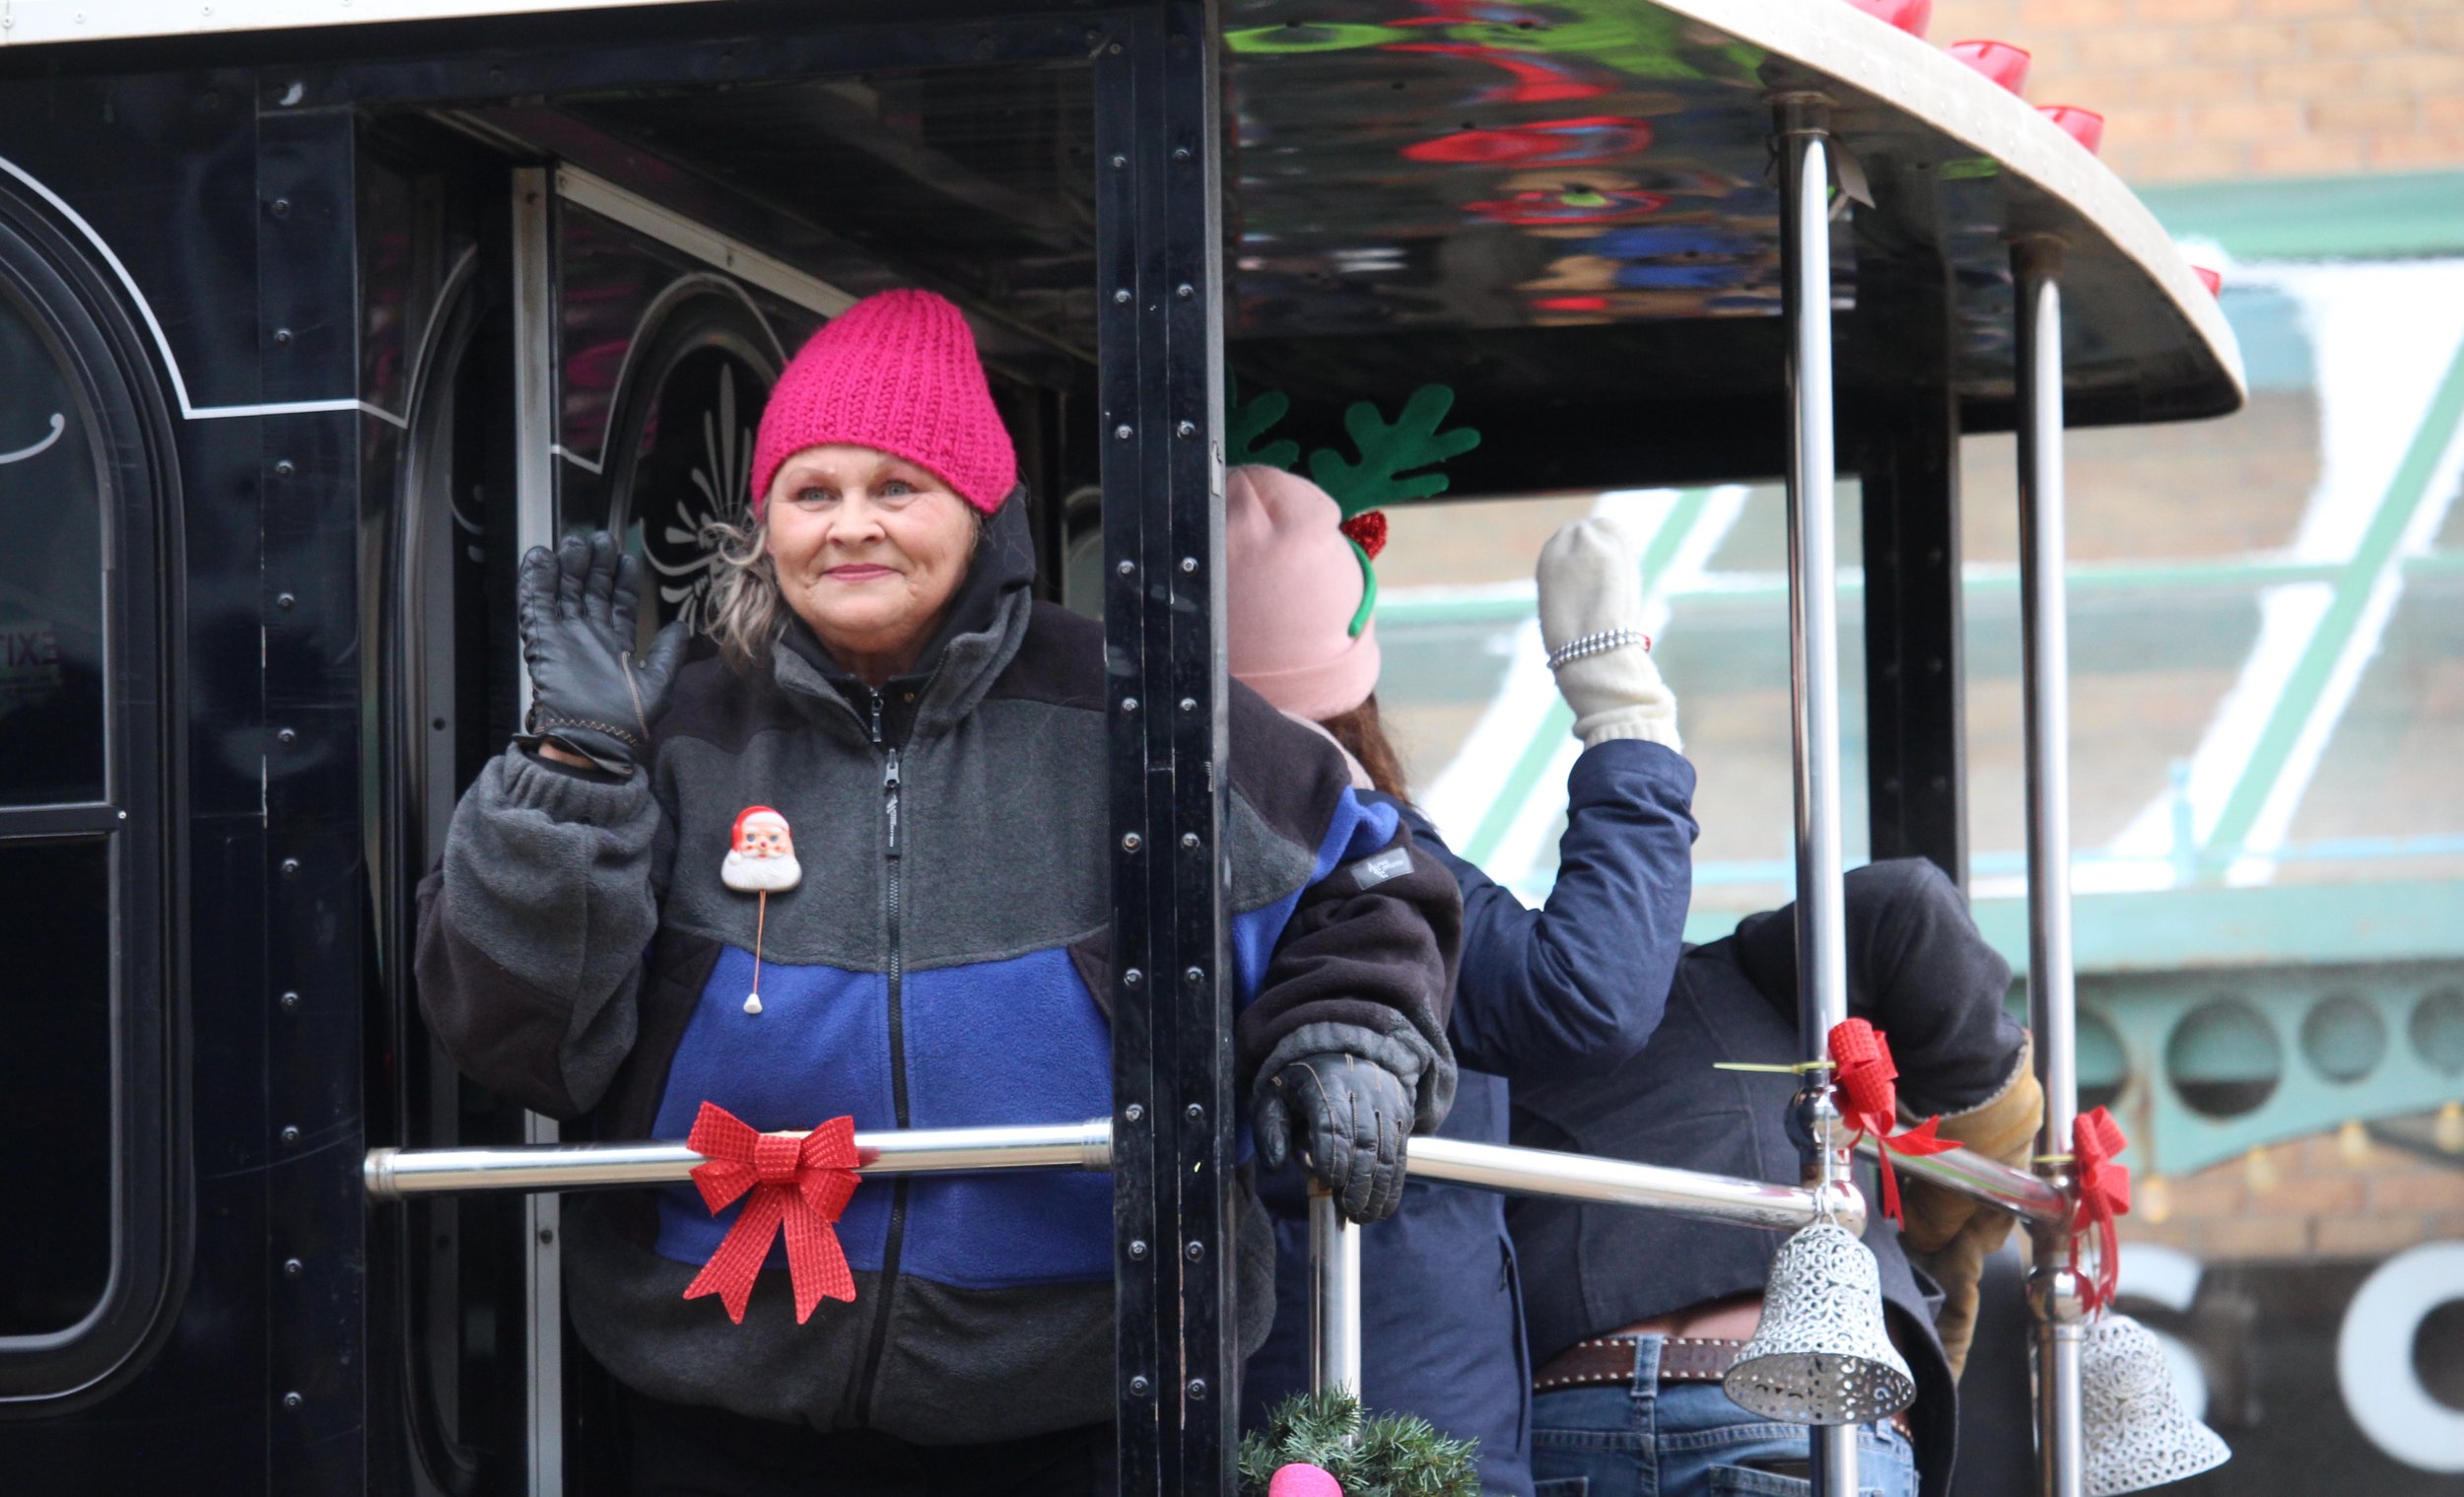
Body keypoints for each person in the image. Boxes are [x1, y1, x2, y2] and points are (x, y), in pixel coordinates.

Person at [416, 290, 1464, 1496]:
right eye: (813, 494)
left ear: (981, 511)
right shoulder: (679, 727)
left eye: (894, 488)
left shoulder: (1139, 705)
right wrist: (570, 771)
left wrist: (1348, 1037)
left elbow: (1374, 878)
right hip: (720, 1401)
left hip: (1082, 1398)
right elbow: (516, 1038)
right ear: (766, 523)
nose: (849, 527)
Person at [1227, 464, 1699, 1497]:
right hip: (1391, 1421)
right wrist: (1625, 713)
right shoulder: (1350, 838)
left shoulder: (1086, 839)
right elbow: (1586, 997)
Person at [1507, 859, 2040, 1497]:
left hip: (1563, 1411)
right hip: (1799, 1394)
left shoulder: (1492, 1023)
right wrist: (1958, 1193)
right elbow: (1911, 902)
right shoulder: (1736, 975)